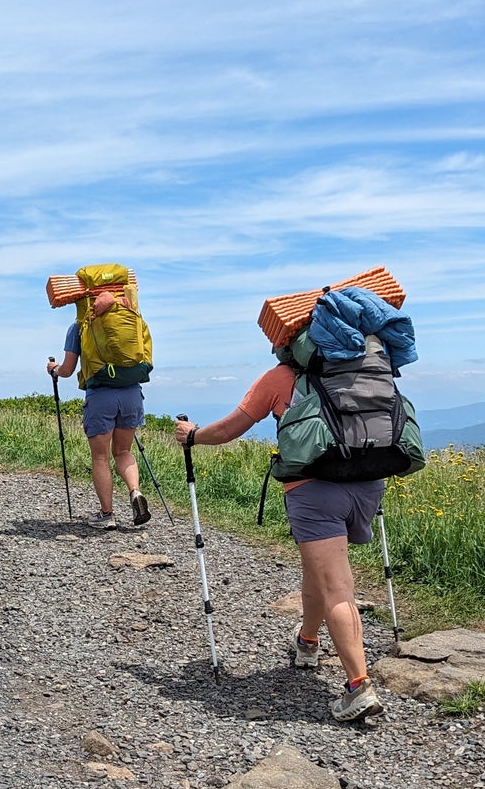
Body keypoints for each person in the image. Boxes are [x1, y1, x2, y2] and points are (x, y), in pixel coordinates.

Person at [174, 375, 384, 722]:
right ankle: (307, 641)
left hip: (315, 490)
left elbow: (229, 429)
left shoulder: (281, 377)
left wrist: (193, 435)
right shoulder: (361, 367)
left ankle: (359, 686)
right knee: (317, 569)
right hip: (369, 480)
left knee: (336, 586)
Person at [47, 306, 151, 528]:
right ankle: (135, 492)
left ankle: (107, 515)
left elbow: (67, 369)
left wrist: (54, 370)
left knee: (101, 457)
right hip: (132, 393)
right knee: (123, 452)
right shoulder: (130, 318)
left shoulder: (78, 327)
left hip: (101, 396)